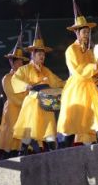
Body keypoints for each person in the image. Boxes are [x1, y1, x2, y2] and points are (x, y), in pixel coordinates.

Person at [57, 0, 98, 147]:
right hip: (76, 87)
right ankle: (63, 150)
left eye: (88, 32)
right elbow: (78, 70)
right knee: (73, 122)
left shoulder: (89, 51)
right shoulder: (71, 50)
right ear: (77, 33)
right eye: (84, 32)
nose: (86, 35)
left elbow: (95, 70)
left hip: (89, 86)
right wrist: (93, 66)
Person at [11, 21, 65, 154]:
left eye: (44, 54)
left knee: (49, 128)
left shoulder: (46, 71)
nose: (42, 57)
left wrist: (70, 83)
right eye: (40, 54)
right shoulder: (25, 69)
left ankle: (54, 155)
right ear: (33, 55)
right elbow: (15, 79)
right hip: (33, 101)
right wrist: (26, 85)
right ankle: (21, 153)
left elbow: (57, 83)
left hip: (46, 102)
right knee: (29, 130)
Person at [0, 34, 28, 159]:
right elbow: (12, 96)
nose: (21, 64)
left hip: (24, 109)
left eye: (22, 61)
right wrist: (27, 103)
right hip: (13, 109)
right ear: (12, 63)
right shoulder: (7, 78)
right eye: (18, 61)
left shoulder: (26, 78)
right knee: (12, 132)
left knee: (25, 134)